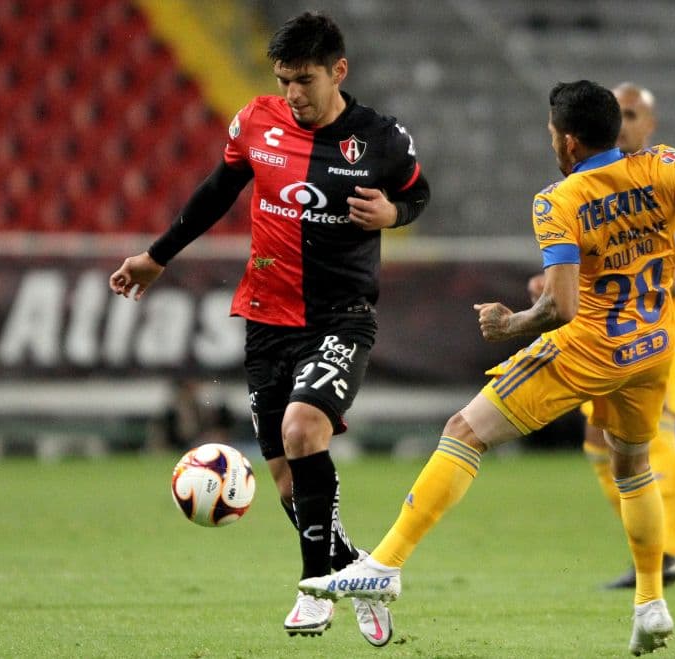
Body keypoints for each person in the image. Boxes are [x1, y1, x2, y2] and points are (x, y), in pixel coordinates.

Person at [298, 80, 675, 655]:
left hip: (589, 350)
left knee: (465, 431)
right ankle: (650, 603)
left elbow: (560, 307)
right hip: (650, 349)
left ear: (567, 142)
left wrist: (510, 324)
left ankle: (385, 565)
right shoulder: (664, 165)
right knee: (632, 466)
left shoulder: (559, 201)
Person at [109, 11, 430, 647]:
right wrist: (156, 256)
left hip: (342, 316)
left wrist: (394, 212)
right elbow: (215, 191)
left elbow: (420, 194)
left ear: (339, 71)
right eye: (283, 79)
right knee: (286, 477)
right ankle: (356, 572)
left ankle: (315, 585)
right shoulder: (257, 122)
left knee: (301, 426)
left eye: (304, 79)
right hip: (265, 317)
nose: (292, 93)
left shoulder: (382, 140)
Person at [528, 82, 675, 590]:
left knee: (655, 429)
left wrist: (631, 289)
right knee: (597, 442)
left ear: (649, 125)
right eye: (617, 114)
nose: (624, 124)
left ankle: (669, 552)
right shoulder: (593, 187)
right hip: (605, 324)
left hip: (655, 323)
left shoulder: (659, 181)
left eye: (632, 115)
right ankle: (652, 547)